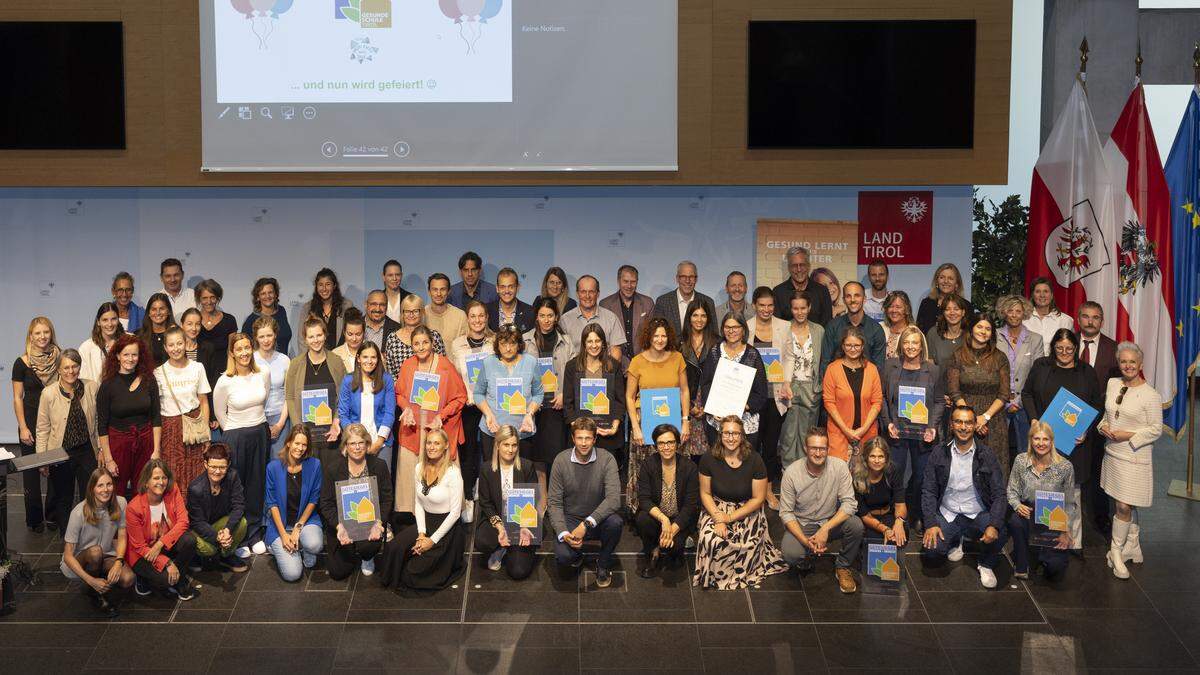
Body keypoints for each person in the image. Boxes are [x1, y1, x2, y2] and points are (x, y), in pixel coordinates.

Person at [1020, 328, 1102, 550]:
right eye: (1059, 348)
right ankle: (1043, 539)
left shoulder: (1087, 371)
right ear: (1053, 347)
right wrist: (1034, 420)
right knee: (1043, 488)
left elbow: (1097, 403)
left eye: (1069, 348)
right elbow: (1026, 394)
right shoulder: (1041, 366)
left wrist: (1086, 428)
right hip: (1044, 442)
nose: (1064, 352)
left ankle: (1073, 543)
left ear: (1076, 348)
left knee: (1072, 493)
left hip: (1076, 444)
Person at [693, 415, 788, 589]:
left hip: (747, 509)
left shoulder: (755, 460)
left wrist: (729, 518)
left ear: (742, 436)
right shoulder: (708, 458)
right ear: (720, 435)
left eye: (735, 433)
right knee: (711, 539)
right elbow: (705, 493)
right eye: (727, 433)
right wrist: (718, 518)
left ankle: (741, 572)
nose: (731, 438)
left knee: (746, 543)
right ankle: (714, 576)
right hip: (717, 506)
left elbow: (758, 499)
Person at [920, 406, 1008, 589]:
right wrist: (930, 523)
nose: (963, 427)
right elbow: (928, 490)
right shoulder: (939, 452)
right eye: (958, 421)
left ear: (975, 425)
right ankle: (956, 539)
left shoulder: (986, 455)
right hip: (948, 512)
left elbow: (999, 493)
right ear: (951, 425)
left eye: (968, 422)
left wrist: (993, 525)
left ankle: (986, 563)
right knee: (932, 551)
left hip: (977, 513)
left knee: (1002, 529)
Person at [1097, 342, 1162, 579]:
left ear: (1141, 364)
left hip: (1134, 456)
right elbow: (1108, 413)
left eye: (1132, 362)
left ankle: (1115, 551)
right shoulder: (1113, 383)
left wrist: (1129, 435)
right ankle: (1132, 544)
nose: (1127, 366)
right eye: (1123, 361)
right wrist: (1103, 426)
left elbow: (1156, 429)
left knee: (1123, 505)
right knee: (1126, 503)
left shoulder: (1151, 395)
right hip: (1113, 454)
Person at [778, 426, 862, 593]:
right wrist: (805, 541)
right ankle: (806, 555)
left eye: (822, 448)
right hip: (803, 523)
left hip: (829, 522)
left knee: (856, 525)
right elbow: (786, 513)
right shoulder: (791, 473)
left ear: (828, 449)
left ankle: (843, 566)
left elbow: (849, 504)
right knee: (790, 554)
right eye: (813, 448)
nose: (818, 453)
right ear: (805, 449)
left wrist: (825, 528)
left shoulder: (839, 467)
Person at [394, 326, 467, 517]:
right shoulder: (408, 365)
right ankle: (414, 516)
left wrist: (440, 417)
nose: (421, 347)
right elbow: (399, 394)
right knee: (412, 478)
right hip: (413, 430)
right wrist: (406, 408)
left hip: (437, 429)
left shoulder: (444, 365)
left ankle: (443, 512)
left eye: (425, 342)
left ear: (432, 343)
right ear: (411, 346)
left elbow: (460, 397)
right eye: (416, 344)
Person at [384, 428, 466, 590]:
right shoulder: (419, 467)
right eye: (429, 442)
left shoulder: (453, 473)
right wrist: (421, 534)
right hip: (425, 523)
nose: (432, 447)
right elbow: (419, 503)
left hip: (447, 529)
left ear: (445, 446)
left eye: (437, 443)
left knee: (412, 573)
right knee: (394, 548)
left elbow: (455, 513)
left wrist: (431, 540)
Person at [211, 332, 271, 553]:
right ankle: (239, 537)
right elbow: (219, 413)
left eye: (247, 348)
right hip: (236, 436)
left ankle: (255, 534)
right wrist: (234, 433)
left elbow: (263, 401)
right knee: (238, 487)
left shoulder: (263, 372)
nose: (244, 353)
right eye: (239, 349)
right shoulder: (224, 381)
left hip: (260, 432)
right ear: (232, 353)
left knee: (257, 485)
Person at [548, 418, 623, 587]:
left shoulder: (607, 459)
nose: (583, 443)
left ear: (595, 439)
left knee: (616, 523)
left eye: (588, 438)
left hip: (597, 519)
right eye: (580, 438)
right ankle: (576, 555)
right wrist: (562, 532)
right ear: (573, 439)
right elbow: (554, 502)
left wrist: (586, 524)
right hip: (570, 518)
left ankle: (603, 563)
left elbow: (613, 499)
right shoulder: (561, 460)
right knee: (565, 557)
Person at [880, 326, 942, 529]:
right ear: (900, 345)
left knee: (921, 477)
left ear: (922, 345)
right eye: (906, 342)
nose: (910, 346)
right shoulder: (890, 366)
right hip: (897, 433)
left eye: (915, 342)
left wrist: (933, 426)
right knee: (895, 475)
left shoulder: (933, 369)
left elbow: (940, 401)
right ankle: (897, 516)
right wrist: (887, 422)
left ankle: (916, 513)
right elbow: (881, 397)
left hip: (923, 435)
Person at [626, 317, 691, 507]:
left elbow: (684, 390)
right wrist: (636, 428)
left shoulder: (677, 358)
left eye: (663, 336)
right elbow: (630, 397)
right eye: (656, 336)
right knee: (646, 472)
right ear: (649, 337)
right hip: (644, 426)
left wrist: (685, 420)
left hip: (673, 427)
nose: (660, 339)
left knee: (674, 471)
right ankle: (644, 512)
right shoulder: (637, 361)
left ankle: (675, 509)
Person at [36, 349, 101, 533]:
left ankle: (89, 537)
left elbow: (97, 422)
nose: (70, 371)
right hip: (60, 453)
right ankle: (67, 542)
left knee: (89, 496)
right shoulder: (48, 394)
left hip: (87, 451)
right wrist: (43, 459)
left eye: (74, 366)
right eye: (66, 367)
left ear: (79, 367)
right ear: (58, 369)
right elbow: (42, 428)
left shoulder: (91, 387)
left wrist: (102, 450)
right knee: (63, 498)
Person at [320, 424, 393, 580]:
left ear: (367, 444)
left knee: (368, 547)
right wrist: (339, 526)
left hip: (370, 522)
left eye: (361, 442)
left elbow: (387, 499)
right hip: (343, 524)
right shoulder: (333, 469)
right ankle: (351, 550)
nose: (357, 447)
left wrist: (379, 523)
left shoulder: (379, 466)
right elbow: (326, 504)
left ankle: (367, 557)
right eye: (352, 443)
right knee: (338, 572)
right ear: (346, 445)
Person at [60, 468, 135, 617]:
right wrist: (91, 580)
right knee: (95, 552)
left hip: (106, 553)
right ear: (92, 488)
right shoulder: (78, 512)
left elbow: (122, 535)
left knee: (128, 579)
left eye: (109, 484)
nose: (105, 490)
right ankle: (94, 592)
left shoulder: (121, 502)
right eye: (100, 485)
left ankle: (100, 577)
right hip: (79, 560)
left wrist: (119, 561)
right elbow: (68, 556)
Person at [1007, 421, 1075, 581]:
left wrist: (1066, 531)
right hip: (1028, 512)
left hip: (1054, 517)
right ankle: (1022, 563)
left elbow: (1070, 503)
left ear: (1052, 441)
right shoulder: (1021, 460)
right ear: (1030, 440)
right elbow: (1011, 490)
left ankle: (1041, 555)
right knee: (1015, 521)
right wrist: (1017, 505)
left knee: (1055, 569)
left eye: (1045, 439)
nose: (1041, 443)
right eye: (1036, 439)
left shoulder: (1065, 466)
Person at [97, 333, 162, 499]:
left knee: (142, 489)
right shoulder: (107, 385)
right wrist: (109, 459)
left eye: (134, 354)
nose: (130, 359)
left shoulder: (149, 380)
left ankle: (139, 524)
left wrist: (156, 450)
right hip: (118, 444)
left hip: (146, 442)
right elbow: (102, 426)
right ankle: (116, 525)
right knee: (115, 491)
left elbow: (156, 418)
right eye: (126, 354)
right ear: (118, 356)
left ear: (140, 356)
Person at [12, 316, 61, 532]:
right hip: (30, 423)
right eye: (37, 333)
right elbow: (17, 397)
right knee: (31, 474)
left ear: (51, 333)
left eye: (46, 332)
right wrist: (22, 426)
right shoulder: (21, 363)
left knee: (54, 471)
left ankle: (52, 515)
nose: (42, 337)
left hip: (53, 423)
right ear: (30, 336)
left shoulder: (59, 358)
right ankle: (34, 519)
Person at [947, 313, 1011, 476]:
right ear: (971, 329)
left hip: (993, 421)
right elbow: (954, 391)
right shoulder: (957, 355)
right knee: (963, 469)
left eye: (988, 329)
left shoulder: (1000, 358)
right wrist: (972, 420)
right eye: (980, 327)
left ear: (992, 333)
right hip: (963, 419)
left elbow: (1004, 394)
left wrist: (985, 418)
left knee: (993, 470)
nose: (983, 331)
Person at [475, 425, 541, 580]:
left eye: (514, 445)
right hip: (498, 517)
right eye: (506, 445)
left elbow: (532, 499)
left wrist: (524, 526)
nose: (510, 450)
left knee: (518, 572)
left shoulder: (526, 466)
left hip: (521, 519)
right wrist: (500, 527)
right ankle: (501, 547)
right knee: (482, 541)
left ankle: (514, 548)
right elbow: (485, 503)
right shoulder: (486, 469)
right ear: (497, 446)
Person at [126, 459, 198, 600]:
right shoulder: (133, 508)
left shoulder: (173, 490)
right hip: (143, 554)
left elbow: (184, 521)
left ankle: (178, 577)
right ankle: (144, 577)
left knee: (189, 540)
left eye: (164, 477)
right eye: (156, 478)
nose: (161, 482)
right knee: (164, 581)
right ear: (146, 482)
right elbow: (139, 547)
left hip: (162, 546)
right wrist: (167, 563)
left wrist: (160, 544)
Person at [698, 312, 770, 454]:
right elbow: (705, 384)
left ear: (743, 329)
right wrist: (713, 408)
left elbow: (761, 393)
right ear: (722, 329)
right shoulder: (714, 351)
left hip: (745, 422)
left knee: (744, 464)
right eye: (727, 327)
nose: (731, 331)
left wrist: (744, 406)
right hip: (717, 421)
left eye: (736, 327)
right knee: (718, 464)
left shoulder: (753, 354)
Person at [634, 424, 699, 578]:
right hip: (658, 517)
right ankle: (652, 551)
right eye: (661, 443)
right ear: (656, 446)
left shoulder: (689, 467)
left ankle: (672, 548)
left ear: (677, 444)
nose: (667, 447)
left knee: (675, 548)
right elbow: (644, 499)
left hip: (679, 519)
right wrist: (664, 520)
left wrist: (671, 529)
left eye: (670, 442)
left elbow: (691, 506)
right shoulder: (649, 464)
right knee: (643, 519)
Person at [1077, 300, 1119, 535]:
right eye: (1086, 316)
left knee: (1098, 469)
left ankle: (1100, 517)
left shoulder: (1114, 349)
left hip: (1101, 420)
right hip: (1070, 417)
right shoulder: (1067, 343)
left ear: (1101, 321)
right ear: (1079, 318)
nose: (1090, 321)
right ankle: (1065, 516)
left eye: (1095, 317)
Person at [264, 425, 324, 582]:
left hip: (305, 521)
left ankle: (304, 546)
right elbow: (272, 503)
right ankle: (280, 546)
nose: (300, 448)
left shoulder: (315, 465)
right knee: (293, 574)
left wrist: (298, 528)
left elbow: (313, 499)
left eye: (304, 444)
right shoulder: (273, 467)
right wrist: (284, 535)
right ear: (289, 442)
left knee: (315, 545)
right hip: (281, 526)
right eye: (297, 443)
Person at [154, 326, 212, 491]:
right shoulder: (158, 373)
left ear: (186, 343)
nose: (175, 348)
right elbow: (155, 410)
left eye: (179, 343)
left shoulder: (197, 367)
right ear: (165, 348)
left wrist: (205, 433)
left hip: (194, 428)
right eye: (171, 345)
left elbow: (204, 402)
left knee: (196, 473)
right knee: (173, 474)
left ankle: (195, 515)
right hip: (170, 430)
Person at [285, 317, 347, 467]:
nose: (316, 340)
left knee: (331, 476)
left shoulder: (336, 361)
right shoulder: (295, 364)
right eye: (311, 336)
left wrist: (336, 421)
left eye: (319, 335)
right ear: (305, 339)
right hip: (307, 436)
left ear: (325, 335)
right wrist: (299, 428)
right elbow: (290, 397)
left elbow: (344, 396)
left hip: (332, 433)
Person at [524, 298, 575, 471]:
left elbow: (574, 374)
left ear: (556, 317)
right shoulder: (524, 341)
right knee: (536, 460)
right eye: (542, 315)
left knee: (557, 458)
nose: (546, 320)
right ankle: (542, 498)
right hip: (533, 408)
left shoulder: (567, 342)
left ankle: (556, 498)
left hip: (556, 407)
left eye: (550, 315)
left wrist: (564, 394)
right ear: (536, 317)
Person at [451, 301, 492, 514]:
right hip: (466, 406)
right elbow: (454, 377)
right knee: (467, 453)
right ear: (467, 319)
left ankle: (486, 496)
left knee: (488, 452)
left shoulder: (495, 344)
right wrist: (465, 395)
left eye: (481, 316)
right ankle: (467, 497)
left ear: (486, 318)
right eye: (473, 316)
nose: (477, 320)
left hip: (489, 406)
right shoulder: (457, 345)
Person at [563, 324, 626, 460]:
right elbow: (568, 403)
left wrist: (614, 427)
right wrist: (580, 431)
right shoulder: (572, 367)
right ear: (584, 344)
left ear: (603, 343)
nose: (594, 345)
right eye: (590, 341)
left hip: (607, 434)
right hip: (582, 438)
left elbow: (620, 400)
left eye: (597, 341)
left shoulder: (613, 366)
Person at [778, 293, 826, 470]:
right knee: (788, 432)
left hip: (810, 386)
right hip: (788, 385)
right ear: (791, 309)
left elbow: (822, 360)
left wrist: (818, 386)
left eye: (803, 308)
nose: (800, 312)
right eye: (796, 308)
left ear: (809, 308)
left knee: (808, 432)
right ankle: (788, 470)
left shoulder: (819, 330)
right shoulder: (784, 328)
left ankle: (807, 470)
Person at [822, 327, 883, 462]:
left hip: (867, 433)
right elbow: (829, 402)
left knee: (865, 476)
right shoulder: (832, 369)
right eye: (849, 345)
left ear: (862, 347)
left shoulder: (872, 369)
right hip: (839, 434)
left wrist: (863, 429)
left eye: (856, 345)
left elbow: (877, 402)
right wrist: (846, 430)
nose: (853, 349)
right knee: (839, 475)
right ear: (843, 346)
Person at [185, 444, 248, 572]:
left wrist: (227, 530)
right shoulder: (195, 488)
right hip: (201, 529)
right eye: (213, 467)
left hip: (220, 524)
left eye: (222, 467)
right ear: (205, 464)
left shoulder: (232, 477)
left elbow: (238, 505)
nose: (217, 471)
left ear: (228, 465)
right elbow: (197, 522)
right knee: (209, 549)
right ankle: (199, 556)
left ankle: (226, 555)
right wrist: (217, 537)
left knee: (242, 523)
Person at [996, 295, 1044, 460]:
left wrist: (1018, 401)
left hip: (1024, 406)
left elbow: (1037, 376)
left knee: (1026, 453)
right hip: (998, 404)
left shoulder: (1036, 339)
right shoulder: (993, 336)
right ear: (1004, 312)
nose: (1014, 314)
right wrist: (1006, 401)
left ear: (1024, 313)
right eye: (1010, 310)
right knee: (997, 452)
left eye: (1018, 311)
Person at [338, 341, 396, 469]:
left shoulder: (386, 380)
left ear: (378, 359)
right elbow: (343, 413)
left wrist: (378, 442)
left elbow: (390, 413)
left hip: (382, 442)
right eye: (365, 357)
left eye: (373, 357)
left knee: (382, 484)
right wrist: (354, 440)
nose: (369, 361)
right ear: (358, 358)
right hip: (355, 443)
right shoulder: (348, 381)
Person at [679, 299, 719, 459]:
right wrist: (689, 407)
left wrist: (709, 407)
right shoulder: (678, 342)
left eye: (703, 316)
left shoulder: (717, 342)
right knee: (688, 451)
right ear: (689, 317)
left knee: (712, 450)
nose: (699, 319)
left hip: (712, 402)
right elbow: (675, 378)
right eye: (695, 315)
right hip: (687, 401)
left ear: (708, 318)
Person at [820, 281, 887, 374]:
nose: (852, 300)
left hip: (866, 386)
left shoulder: (876, 329)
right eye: (848, 296)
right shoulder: (833, 326)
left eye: (857, 295)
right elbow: (825, 362)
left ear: (864, 299)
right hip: (837, 385)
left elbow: (878, 368)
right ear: (843, 300)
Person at [854, 437, 908, 549]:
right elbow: (864, 515)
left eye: (881, 456)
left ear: (886, 458)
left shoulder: (893, 470)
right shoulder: (857, 476)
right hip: (869, 519)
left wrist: (898, 522)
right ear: (866, 458)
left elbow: (900, 502)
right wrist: (885, 529)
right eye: (872, 456)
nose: (877, 461)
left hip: (888, 514)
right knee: (875, 542)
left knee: (900, 534)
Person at [253, 316, 291, 468]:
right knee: (258, 465)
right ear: (256, 337)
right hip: (257, 419)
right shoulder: (251, 359)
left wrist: (280, 424)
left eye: (269, 335)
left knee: (279, 464)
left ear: (275, 335)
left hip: (280, 418)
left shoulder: (284, 360)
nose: (266, 340)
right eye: (261, 336)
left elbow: (289, 395)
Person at [559, 275, 625, 362]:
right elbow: (562, 354)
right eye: (583, 291)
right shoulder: (565, 320)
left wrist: (607, 373)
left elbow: (616, 352)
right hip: (575, 372)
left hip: (604, 372)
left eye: (591, 292)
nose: (587, 296)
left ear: (598, 294)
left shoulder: (611, 318)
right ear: (577, 294)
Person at [599, 264, 655, 364]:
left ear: (637, 282)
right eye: (625, 281)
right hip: (616, 364)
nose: (629, 286)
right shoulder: (605, 305)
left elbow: (651, 335)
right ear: (618, 281)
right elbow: (605, 340)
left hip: (643, 364)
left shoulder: (648, 303)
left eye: (633, 282)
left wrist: (638, 364)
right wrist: (625, 365)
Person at [384, 293, 449, 377]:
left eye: (415, 311)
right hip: (401, 388)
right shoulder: (392, 339)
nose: (411, 315)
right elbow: (390, 372)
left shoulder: (434, 336)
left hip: (431, 388)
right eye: (407, 311)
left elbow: (443, 366)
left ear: (422, 313)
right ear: (402, 313)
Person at [295, 268, 354, 352]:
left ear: (334, 286)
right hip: (315, 360)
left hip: (340, 359)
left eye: (328, 284)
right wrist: (308, 361)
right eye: (320, 285)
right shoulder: (307, 308)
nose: (324, 289)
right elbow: (302, 339)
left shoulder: (346, 306)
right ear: (316, 287)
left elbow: (351, 335)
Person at [653, 260, 716, 338]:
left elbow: (713, 335)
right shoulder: (663, 302)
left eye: (691, 277)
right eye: (683, 276)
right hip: (670, 350)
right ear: (677, 278)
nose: (687, 281)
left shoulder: (708, 302)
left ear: (696, 279)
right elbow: (655, 333)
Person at [772, 246, 832, 325]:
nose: (799, 269)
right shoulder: (778, 292)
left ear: (808, 266)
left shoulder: (822, 291)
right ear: (788, 268)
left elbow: (827, 324)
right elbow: (777, 326)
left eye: (802, 265)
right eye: (794, 265)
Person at [916, 263, 973, 335]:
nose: (946, 281)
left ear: (957, 284)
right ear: (937, 281)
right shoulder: (926, 303)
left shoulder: (966, 306)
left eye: (950, 278)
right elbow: (919, 332)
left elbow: (969, 334)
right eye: (942, 277)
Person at [241, 277, 291, 358]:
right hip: (262, 367)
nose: (267, 296)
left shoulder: (281, 311)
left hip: (283, 363)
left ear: (275, 294)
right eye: (263, 293)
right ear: (258, 297)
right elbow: (246, 349)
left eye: (270, 292)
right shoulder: (251, 321)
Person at [1024, 277, 1075, 356]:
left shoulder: (1065, 320)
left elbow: (1071, 348)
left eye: (1046, 291)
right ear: (1032, 295)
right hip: (1029, 366)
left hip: (1057, 366)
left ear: (1051, 295)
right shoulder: (1023, 319)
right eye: (1038, 291)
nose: (1042, 295)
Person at [424, 274, 467, 356]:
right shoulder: (422, 314)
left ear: (449, 291)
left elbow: (464, 349)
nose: (438, 293)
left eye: (442, 289)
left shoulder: (460, 316)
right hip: (427, 368)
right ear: (429, 291)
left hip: (454, 367)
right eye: (435, 289)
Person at [79, 302, 123, 382]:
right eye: (105, 320)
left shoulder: (130, 341)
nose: (110, 324)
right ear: (98, 322)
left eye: (113, 319)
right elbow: (84, 380)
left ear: (118, 320)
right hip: (97, 393)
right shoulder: (86, 348)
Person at [486, 267, 535, 334]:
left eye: (511, 287)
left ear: (518, 287)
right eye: (502, 287)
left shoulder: (530, 312)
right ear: (497, 288)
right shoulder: (487, 311)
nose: (507, 291)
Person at [925, 293, 969, 368]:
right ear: (943, 313)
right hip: (937, 379)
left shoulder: (969, 336)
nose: (952, 313)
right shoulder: (933, 333)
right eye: (947, 309)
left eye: (956, 309)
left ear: (963, 312)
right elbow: (929, 365)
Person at [196, 279, 238, 356]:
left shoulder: (229, 320)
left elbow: (231, 352)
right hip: (198, 367)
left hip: (224, 367)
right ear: (199, 299)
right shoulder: (193, 320)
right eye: (204, 298)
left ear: (218, 298)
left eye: (212, 297)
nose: (209, 302)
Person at [136, 292, 177, 367]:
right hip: (147, 377)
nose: (158, 313)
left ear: (168, 311)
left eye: (162, 309)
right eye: (154, 309)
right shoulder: (138, 335)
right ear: (148, 313)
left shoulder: (177, 334)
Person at [360, 290, 403, 362]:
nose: (378, 309)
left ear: (386, 307)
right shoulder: (354, 325)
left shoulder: (397, 329)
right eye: (373, 304)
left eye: (382, 305)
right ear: (366, 305)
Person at [879, 291, 915, 360]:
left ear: (906, 310)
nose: (894, 310)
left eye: (898, 307)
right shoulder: (879, 328)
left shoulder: (913, 333)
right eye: (890, 306)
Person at [158, 258, 196, 322]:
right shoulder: (154, 300)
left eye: (176, 275)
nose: (172, 279)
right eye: (168, 276)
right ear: (161, 278)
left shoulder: (194, 296)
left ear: (182, 275)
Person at [332, 308, 366, 372]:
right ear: (344, 333)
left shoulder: (373, 352)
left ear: (364, 333)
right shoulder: (335, 355)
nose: (354, 339)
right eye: (350, 334)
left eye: (358, 334)